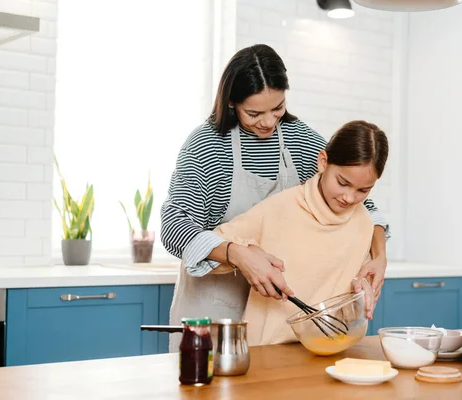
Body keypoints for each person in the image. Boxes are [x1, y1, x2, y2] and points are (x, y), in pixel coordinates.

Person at [161, 44, 389, 352]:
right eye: (254, 113)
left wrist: (378, 255)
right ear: (231, 102)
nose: (268, 123)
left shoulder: (301, 138)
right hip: (214, 300)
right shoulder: (207, 146)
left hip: (275, 309)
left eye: (278, 108)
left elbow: (358, 201)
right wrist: (239, 254)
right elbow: (174, 227)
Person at [210, 120, 389, 345]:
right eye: (342, 183)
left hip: (330, 349)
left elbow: (355, 277)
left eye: (363, 190)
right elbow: (211, 244)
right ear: (323, 162)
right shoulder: (280, 207)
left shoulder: (364, 222)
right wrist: (246, 254)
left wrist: (361, 291)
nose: (349, 198)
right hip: (268, 353)